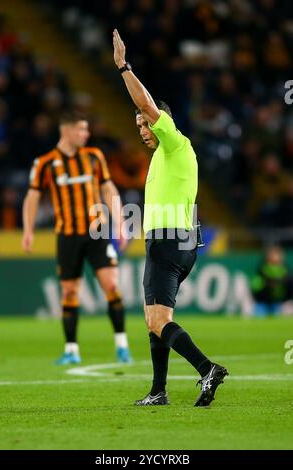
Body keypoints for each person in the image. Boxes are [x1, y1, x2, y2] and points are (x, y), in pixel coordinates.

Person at [113, 29, 228, 407]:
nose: (143, 131)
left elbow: (148, 105)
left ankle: (206, 368)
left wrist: (124, 67)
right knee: (154, 317)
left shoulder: (175, 142)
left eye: (145, 125)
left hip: (167, 241)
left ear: (161, 121)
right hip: (181, 240)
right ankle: (158, 390)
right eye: (139, 128)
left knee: (157, 320)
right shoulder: (166, 158)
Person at [22, 111, 132, 365]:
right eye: (82, 129)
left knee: (112, 286)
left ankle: (122, 346)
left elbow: (108, 188)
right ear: (67, 130)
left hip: (97, 232)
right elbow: (32, 196)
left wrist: (121, 223)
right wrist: (28, 230)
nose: (87, 134)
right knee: (69, 291)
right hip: (67, 235)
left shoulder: (94, 157)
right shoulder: (46, 163)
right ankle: (72, 350)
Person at [251, 246, 293, 317]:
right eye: (273, 255)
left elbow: (288, 281)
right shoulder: (263, 267)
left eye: (277, 255)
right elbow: (256, 285)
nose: (275, 257)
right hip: (262, 301)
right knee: (259, 317)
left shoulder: (285, 269)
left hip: (279, 302)